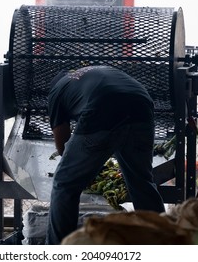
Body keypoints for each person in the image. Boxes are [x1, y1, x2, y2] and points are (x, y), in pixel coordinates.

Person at [46, 65, 165, 245]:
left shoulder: (56, 91)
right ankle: (165, 244)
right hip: (141, 106)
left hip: (101, 107)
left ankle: (58, 251)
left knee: (65, 184)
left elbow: (62, 145)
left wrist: (87, 166)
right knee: (142, 183)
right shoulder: (91, 72)